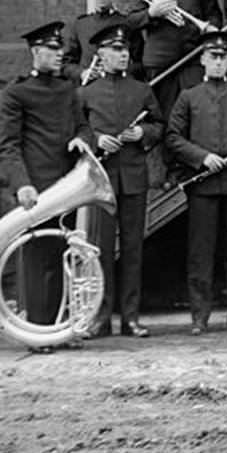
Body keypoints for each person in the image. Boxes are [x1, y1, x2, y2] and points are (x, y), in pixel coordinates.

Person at [0, 21, 93, 344]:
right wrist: (22, 184)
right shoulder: (17, 92)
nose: (59, 54)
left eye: (59, 49)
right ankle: (39, 332)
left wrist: (81, 139)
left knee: (64, 257)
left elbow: (84, 127)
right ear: (36, 52)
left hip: (68, 186)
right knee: (38, 262)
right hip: (36, 190)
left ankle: (61, 328)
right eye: (52, 49)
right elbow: (7, 146)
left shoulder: (68, 90)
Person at [164, 31, 227, 335]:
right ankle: (200, 316)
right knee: (201, 251)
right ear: (202, 60)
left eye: (224, 58)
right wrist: (202, 157)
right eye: (213, 57)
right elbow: (173, 137)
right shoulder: (189, 96)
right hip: (204, 186)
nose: (218, 62)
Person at [76, 23, 163, 337]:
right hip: (101, 181)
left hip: (134, 179)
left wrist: (142, 133)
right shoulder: (87, 92)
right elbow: (76, 130)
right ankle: (100, 317)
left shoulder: (141, 90)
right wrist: (97, 139)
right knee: (98, 249)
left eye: (125, 50)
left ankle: (130, 317)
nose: (122, 55)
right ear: (101, 54)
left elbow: (159, 125)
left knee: (132, 250)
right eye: (115, 50)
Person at [64, 0, 137, 82]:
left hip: (118, 85)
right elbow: (66, 62)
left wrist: (120, 68)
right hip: (89, 88)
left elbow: (139, 63)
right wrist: (81, 73)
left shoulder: (127, 23)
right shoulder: (79, 25)